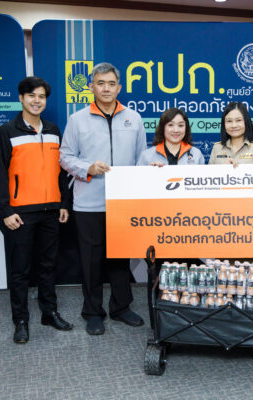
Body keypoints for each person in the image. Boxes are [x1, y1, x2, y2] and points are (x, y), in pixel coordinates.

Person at [60, 62, 147, 335]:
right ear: (91, 87)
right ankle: (92, 312)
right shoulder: (77, 119)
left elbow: (142, 158)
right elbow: (65, 157)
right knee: (91, 260)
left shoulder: (134, 118)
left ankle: (121, 307)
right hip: (88, 202)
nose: (106, 88)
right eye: (100, 83)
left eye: (111, 83)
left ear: (119, 87)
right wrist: (87, 167)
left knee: (120, 258)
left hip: (123, 202)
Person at [0, 76, 73, 344]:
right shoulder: (7, 131)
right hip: (21, 213)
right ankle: (21, 320)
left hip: (51, 210)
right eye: (31, 96)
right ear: (21, 98)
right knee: (21, 270)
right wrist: (6, 210)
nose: (37, 101)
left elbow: (61, 171)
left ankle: (49, 313)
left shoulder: (53, 130)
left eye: (41, 96)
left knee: (48, 266)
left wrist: (63, 203)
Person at [137, 108, 205, 166]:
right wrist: (152, 172)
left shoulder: (196, 154)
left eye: (180, 125)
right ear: (163, 127)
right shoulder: (146, 156)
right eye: (170, 125)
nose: (176, 130)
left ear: (186, 128)